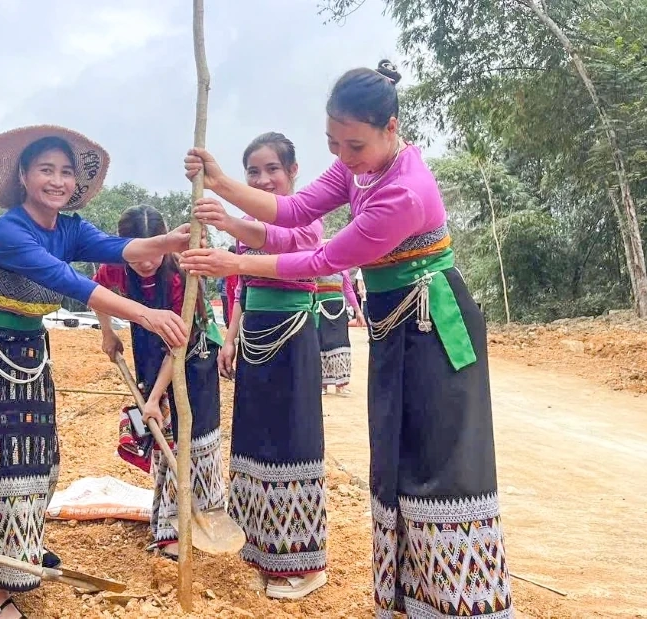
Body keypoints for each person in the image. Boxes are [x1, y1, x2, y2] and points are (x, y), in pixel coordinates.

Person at [181, 61, 514, 618]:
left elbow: (322, 258)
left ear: (391, 128)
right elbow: (293, 208)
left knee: (440, 464)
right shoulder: (360, 169)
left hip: (433, 327)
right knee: (396, 459)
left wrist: (225, 260)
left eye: (353, 144)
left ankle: (462, 603)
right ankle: (409, 599)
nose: (342, 155)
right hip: (396, 327)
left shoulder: (402, 192)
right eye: (333, 142)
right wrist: (218, 180)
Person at [0, 126, 191, 619]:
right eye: (46, 170)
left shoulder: (70, 227)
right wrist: (144, 315)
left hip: (29, 352)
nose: (57, 181)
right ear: (23, 176)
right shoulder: (9, 231)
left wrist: (175, 239)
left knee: (40, 459)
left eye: (64, 172)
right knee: (1, 464)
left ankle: (25, 549)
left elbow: (119, 248)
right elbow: (69, 281)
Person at [202, 132, 329, 599]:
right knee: (256, 438)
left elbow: (291, 255)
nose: (263, 178)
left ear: (293, 171)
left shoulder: (307, 219)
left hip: (292, 337)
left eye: (272, 169)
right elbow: (241, 287)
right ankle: (263, 550)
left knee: (292, 441)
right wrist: (229, 339)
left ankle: (306, 563)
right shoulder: (250, 227)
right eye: (253, 171)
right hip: (254, 333)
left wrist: (231, 224)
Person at [93, 205, 225, 561]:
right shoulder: (116, 266)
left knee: (193, 435)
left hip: (193, 357)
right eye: (139, 256)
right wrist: (108, 334)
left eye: (154, 254)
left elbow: (178, 346)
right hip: (148, 351)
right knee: (163, 438)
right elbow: (94, 291)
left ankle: (203, 516)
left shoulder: (181, 276)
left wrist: (153, 399)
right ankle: (169, 528)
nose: (146, 263)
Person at [315, 255, 365, 397]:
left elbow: (348, 290)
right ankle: (323, 385)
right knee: (322, 344)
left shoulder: (343, 270)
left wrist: (358, 311)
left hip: (339, 309)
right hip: (321, 310)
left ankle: (341, 385)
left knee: (341, 343)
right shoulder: (317, 267)